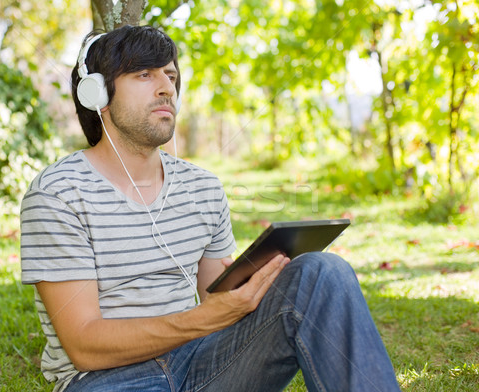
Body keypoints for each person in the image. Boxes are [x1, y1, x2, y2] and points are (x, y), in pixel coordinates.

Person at [20, 25, 401, 392]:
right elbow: (84, 345)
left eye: (170, 76)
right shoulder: (58, 193)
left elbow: (215, 298)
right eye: (144, 74)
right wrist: (202, 320)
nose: (166, 88)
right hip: (107, 380)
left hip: (200, 361)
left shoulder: (203, 187)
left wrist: (260, 281)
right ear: (97, 94)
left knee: (322, 272)